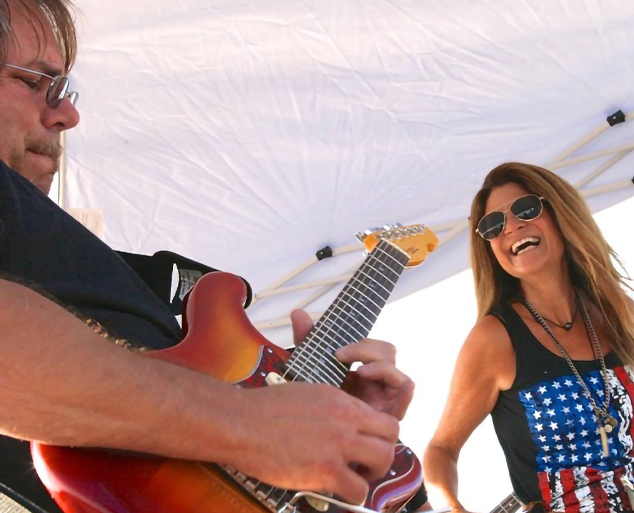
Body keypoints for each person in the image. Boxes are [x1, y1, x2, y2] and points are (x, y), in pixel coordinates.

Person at [0, 1, 424, 512]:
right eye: (37, 82)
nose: (67, 113)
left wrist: (323, 423)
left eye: (65, 90)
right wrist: (244, 424)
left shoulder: (108, 266)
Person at [423, 163, 634, 513]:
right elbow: (441, 449)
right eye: (493, 225)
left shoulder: (618, 311)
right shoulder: (494, 339)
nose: (512, 227)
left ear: (560, 212)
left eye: (525, 209)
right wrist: (452, 508)